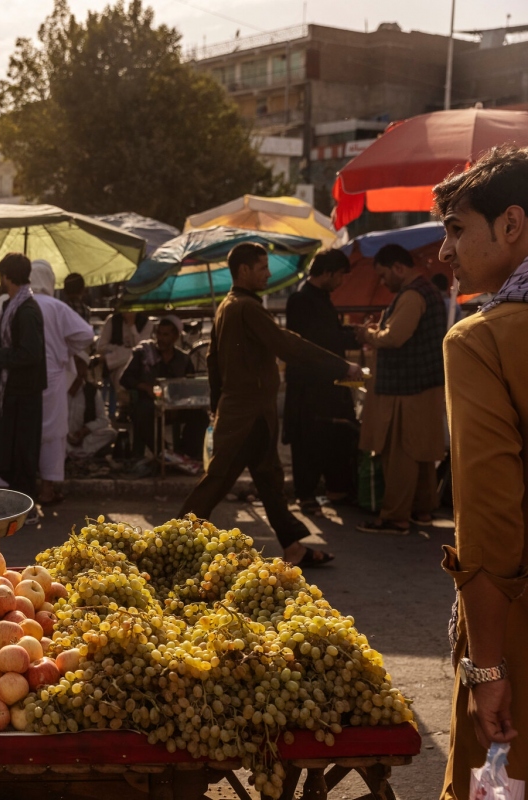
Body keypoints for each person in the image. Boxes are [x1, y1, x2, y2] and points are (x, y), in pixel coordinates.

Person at [433, 145, 528, 798]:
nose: (445, 253)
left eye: (457, 229)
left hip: (516, 634)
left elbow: (490, 523)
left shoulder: (481, 341)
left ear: (512, 227)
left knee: (495, 783)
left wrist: (486, 669)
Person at [178, 243, 361, 567]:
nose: (268, 273)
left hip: (249, 414)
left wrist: (217, 404)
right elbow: (286, 344)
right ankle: (171, 540)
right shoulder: (245, 308)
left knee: (270, 481)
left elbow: (213, 361)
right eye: (263, 267)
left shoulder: (230, 306)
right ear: (244, 270)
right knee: (217, 481)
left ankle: (293, 547)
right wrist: (340, 366)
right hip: (246, 415)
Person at [356, 243, 447, 534]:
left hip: (406, 386)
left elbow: (395, 337)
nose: (383, 282)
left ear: (398, 267)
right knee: (420, 452)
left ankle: (396, 518)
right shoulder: (425, 290)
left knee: (399, 454)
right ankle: (422, 511)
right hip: (422, 384)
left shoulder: (411, 295)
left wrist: (367, 333)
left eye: (383, 275)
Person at [282, 250, 359, 515]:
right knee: (308, 440)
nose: (340, 282)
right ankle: (306, 495)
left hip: (329, 381)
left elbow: (331, 335)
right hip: (308, 384)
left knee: (333, 436)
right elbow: (314, 342)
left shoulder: (321, 299)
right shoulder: (301, 300)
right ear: (327, 273)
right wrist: (350, 341)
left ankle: (336, 490)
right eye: (339, 276)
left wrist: (354, 335)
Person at [0, 253, 46, 524]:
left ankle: (26, 509)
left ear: (7, 276)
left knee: (23, 452)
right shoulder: (12, 305)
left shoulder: (27, 309)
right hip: (11, 391)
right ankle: (19, 506)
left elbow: (29, 354)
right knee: (10, 450)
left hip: (24, 393)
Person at [27, 260, 93, 505]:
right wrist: (66, 348)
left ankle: (26, 490)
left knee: (27, 433)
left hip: (25, 378)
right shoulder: (56, 306)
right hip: (53, 378)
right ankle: (47, 489)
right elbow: (86, 334)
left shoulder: (20, 304)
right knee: (54, 435)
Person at [121, 315, 204, 460]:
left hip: (177, 406)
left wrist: (178, 403)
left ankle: (185, 456)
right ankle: (164, 454)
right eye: (159, 333)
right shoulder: (144, 353)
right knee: (140, 413)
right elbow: (126, 378)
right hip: (150, 405)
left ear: (175, 336)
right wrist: (146, 387)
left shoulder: (183, 359)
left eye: (166, 334)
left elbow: (190, 385)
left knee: (201, 416)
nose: (161, 338)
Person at [95, 299, 153, 414]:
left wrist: (132, 327)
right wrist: (122, 350)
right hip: (116, 367)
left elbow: (143, 349)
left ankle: (124, 404)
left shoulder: (146, 323)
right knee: (124, 366)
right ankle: (125, 405)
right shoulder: (112, 321)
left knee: (133, 356)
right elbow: (101, 347)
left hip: (137, 365)